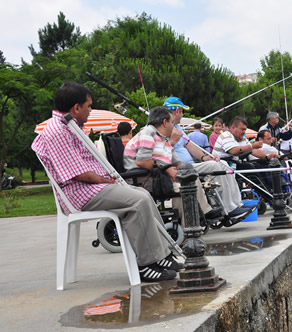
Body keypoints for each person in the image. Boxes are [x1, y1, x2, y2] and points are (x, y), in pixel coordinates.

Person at [32, 81, 181, 283]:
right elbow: (79, 173)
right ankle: (147, 264)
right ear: (76, 108)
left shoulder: (70, 126)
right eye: (89, 106)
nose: (90, 111)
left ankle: (161, 255)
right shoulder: (57, 131)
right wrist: (106, 180)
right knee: (138, 200)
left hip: (92, 187)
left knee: (143, 195)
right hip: (81, 192)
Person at [123, 106, 223, 222]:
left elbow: (176, 162)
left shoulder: (162, 138)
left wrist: (185, 169)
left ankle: (201, 213)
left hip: (154, 175)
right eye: (172, 122)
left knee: (189, 176)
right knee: (183, 185)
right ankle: (188, 221)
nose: (173, 126)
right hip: (143, 178)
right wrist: (168, 169)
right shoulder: (148, 133)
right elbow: (142, 161)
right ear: (165, 122)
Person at [164, 97, 254, 219]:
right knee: (216, 166)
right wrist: (173, 141)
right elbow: (162, 151)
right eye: (182, 111)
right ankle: (228, 209)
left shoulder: (178, 128)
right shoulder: (165, 128)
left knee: (224, 164)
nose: (182, 115)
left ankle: (236, 204)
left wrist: (204, 157)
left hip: (192, 164)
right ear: (177, 111)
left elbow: (190, 145)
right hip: (181, 167)